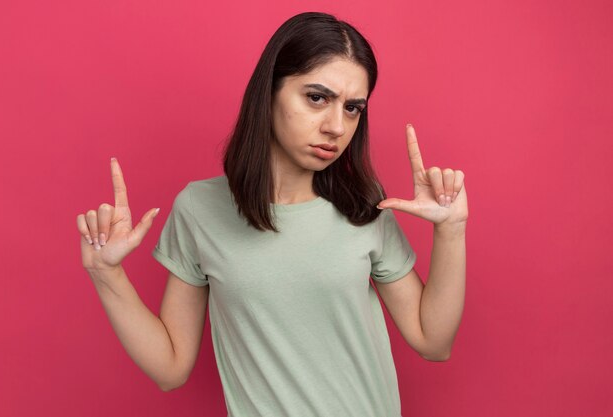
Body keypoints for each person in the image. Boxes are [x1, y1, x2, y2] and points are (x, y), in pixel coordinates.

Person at [76, 11, 468, 417]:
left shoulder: (364, 208)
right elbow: (170, 369)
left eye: (353, 108)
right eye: (317, 98)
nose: (336, 125)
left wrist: (452, 231)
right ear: (269, 92)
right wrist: (107, 275)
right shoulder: (200, 209)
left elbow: (433, 342)